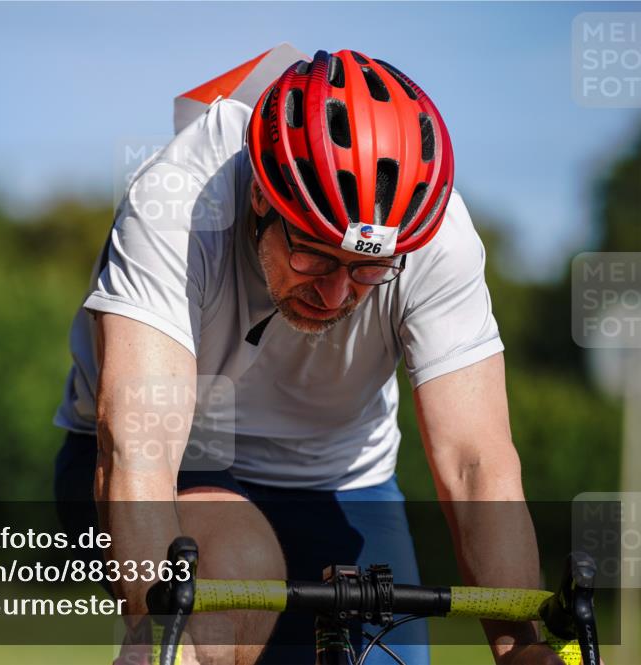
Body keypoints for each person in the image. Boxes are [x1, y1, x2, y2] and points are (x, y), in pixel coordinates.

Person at [54, 49, 561, 664]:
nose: (337, 292)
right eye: (314, 255)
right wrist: (163, 636)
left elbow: (475, 461)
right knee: (224, 580)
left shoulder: (432, 234)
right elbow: (137, 444)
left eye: (369, 269)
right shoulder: (177, 202)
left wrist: (522, 648)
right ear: (264, 199)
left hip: (340, 475)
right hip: (181, 459)